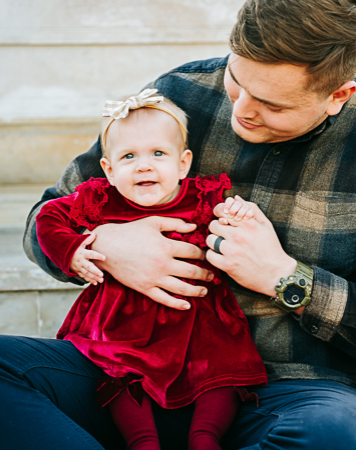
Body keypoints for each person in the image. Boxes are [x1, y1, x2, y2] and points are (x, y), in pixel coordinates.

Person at [0, 0, 356, 450]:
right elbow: (46, 217)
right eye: (237, 81)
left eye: (273, 104)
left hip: (298, 394)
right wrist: (108, 246)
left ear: (338, 95)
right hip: (131, 377)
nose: (240, 111)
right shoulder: (180, 95)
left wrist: (287, 277)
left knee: (342, 434)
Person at [36, 91, 267, 449]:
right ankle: (142, 444)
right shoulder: (101, 201)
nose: (144, 165)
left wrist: (239, 216)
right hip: (122, 317)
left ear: (183, 163)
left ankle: (205, 439)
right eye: (129, 156)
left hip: (198, 317)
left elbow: (235, 229)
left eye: (158, 154)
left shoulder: (203, 199)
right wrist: (74, 250)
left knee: (221, 370)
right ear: (109, 170)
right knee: (120, 372)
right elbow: (49, 216)